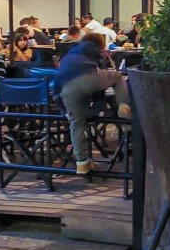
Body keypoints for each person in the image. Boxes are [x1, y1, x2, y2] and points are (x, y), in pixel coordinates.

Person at [57, 33, 133, 175]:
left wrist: (64, 110)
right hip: (88, 78)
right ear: (99, 45)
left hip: (67, 88)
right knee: (117, 77)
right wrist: (99, 106)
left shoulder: (69, 54)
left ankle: (82, 163)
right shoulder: (92, 50)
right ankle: (123, 105)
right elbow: (102, 70)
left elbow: (57, 81)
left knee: (76, 124)